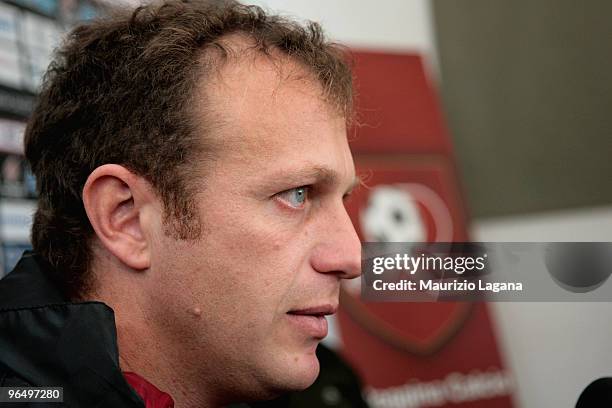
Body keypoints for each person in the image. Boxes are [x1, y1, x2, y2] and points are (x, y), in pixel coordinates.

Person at [0, 1, 362, 407]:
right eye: (297, 194)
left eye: (343, 199)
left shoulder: (327, 389)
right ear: (127, 218)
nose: (351, 257)